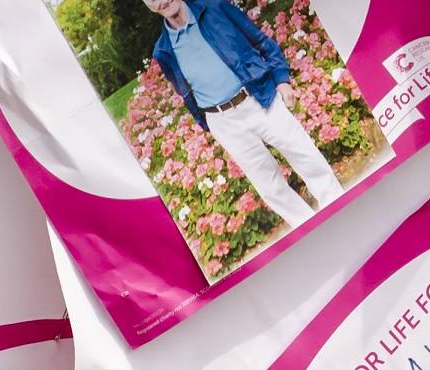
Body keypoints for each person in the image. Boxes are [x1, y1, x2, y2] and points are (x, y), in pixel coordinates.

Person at [141, 0, 343, 228]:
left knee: (304, 154)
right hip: (223, 122)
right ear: (147, 6)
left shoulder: (215, 7)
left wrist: (281, 79)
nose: (162, 1)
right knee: (270, 186)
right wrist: (208, 122)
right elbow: (185, 92)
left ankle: (341, 210)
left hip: (258, 97)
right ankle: (311, 228)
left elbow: (260, 41)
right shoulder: (163, 51)